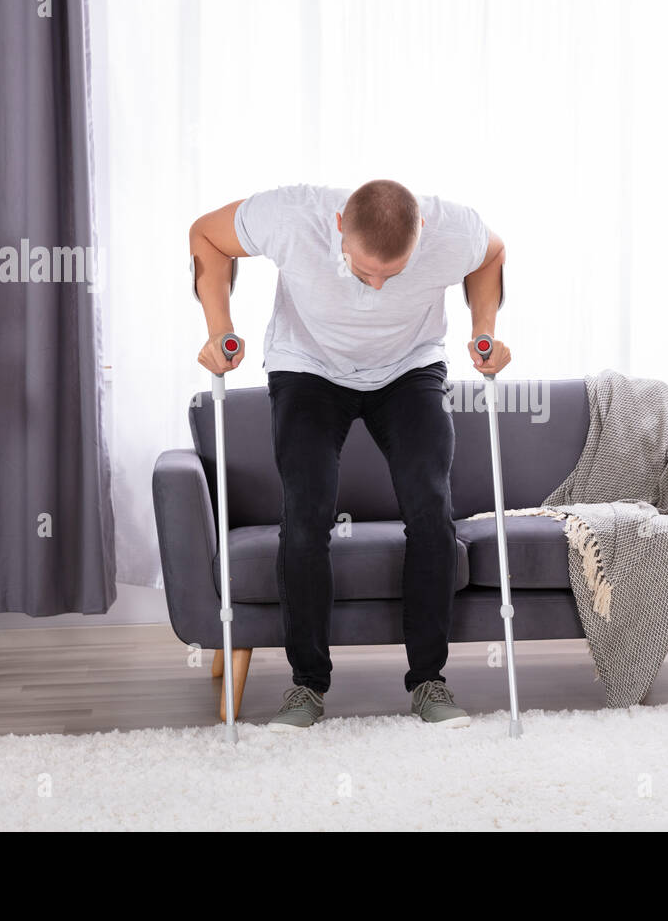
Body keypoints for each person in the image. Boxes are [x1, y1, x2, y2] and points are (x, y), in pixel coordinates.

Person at [189, 180, 509, 731]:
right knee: (306, 514)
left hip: (408, 368)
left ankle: (429, 680)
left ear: (423, 235)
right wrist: (220, 330)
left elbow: (492, 253)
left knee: (431, 510)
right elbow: (207, 237)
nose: (379, 285)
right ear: (338, 226)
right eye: (365, 272)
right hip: (308, 366)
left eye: (394, 271)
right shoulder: (291, 217)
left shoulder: (452, 229)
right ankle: (306, 685)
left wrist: (484, 331)